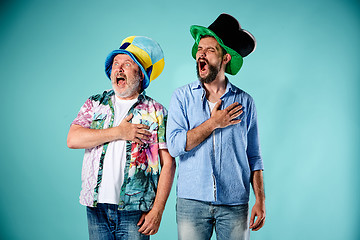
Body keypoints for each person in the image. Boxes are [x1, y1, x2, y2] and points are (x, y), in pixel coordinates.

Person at [166, 13, 265, 240]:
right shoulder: (181, 98)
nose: (201, 54)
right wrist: (213, 123)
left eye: (210, 50)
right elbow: (174, 146)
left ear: (225, 58)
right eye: (200, 49)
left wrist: (260, 200)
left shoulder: (245, 102)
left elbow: (254, 156)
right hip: (191, 203)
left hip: (235, 204)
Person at [67, 36, 176, 240]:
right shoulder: (95, 103)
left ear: (141, 75)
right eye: (116, 64)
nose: (119, 68)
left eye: (127, 64)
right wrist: (119, 132)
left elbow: (168, 164)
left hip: (135, 210)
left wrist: (158, 210)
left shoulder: (156, 111)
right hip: (96, 207)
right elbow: (73, 139)